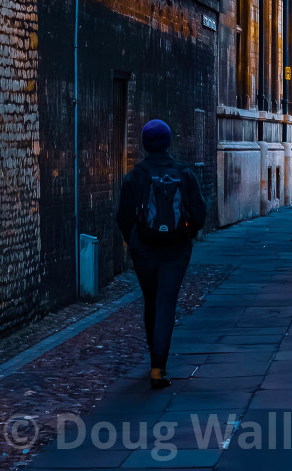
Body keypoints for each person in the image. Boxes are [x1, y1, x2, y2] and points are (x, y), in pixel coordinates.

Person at [116, 118, 207, 388]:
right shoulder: (184, 173)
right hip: (176, 249)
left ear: (145, 143)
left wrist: (132, 242)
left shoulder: (135, 176)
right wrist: (187, 234)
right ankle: (159, 367)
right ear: (168, 141)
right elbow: (200, 213)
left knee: (151, 300)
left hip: (144, 248)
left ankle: (154, 359)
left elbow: (123, 216)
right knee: (167, 302)